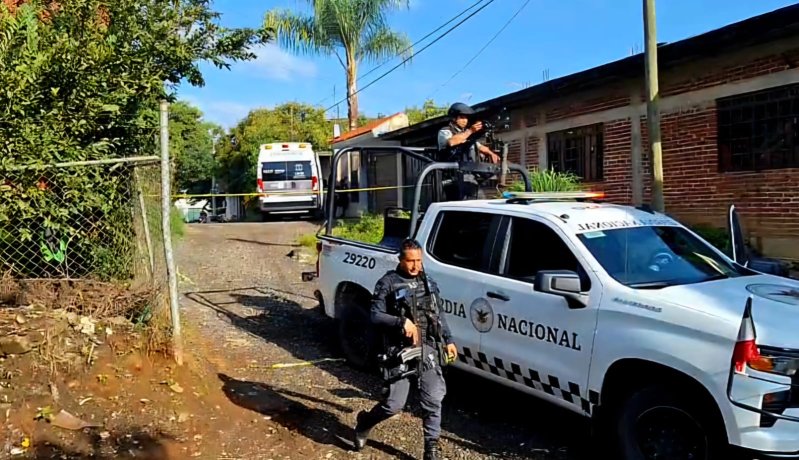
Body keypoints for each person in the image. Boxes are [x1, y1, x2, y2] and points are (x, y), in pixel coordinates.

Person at [352, 239, 457, 460]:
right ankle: (365, 423)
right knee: (393, 405)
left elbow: (438, 315)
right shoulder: (388, 283)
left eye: (419, 260)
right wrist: (401, 322)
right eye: (410, 261)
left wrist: (448, 340)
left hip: (426, 347)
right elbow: (375, 315)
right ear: (400, 260)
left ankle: (431, 450)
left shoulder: (428, 282)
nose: (415, 266)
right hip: (399, 350)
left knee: (433, 400)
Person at [437, 102, 501, 200]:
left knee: (479, 202)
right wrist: (470, 131)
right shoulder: (445, 131)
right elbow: (452, 142)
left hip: (469, 174)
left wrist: (491, 153)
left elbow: (478, 146)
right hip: (453, 176)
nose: (465, 120)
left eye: (466, 118)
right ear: (454, 118)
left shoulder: (465, 133)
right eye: (462, 117)